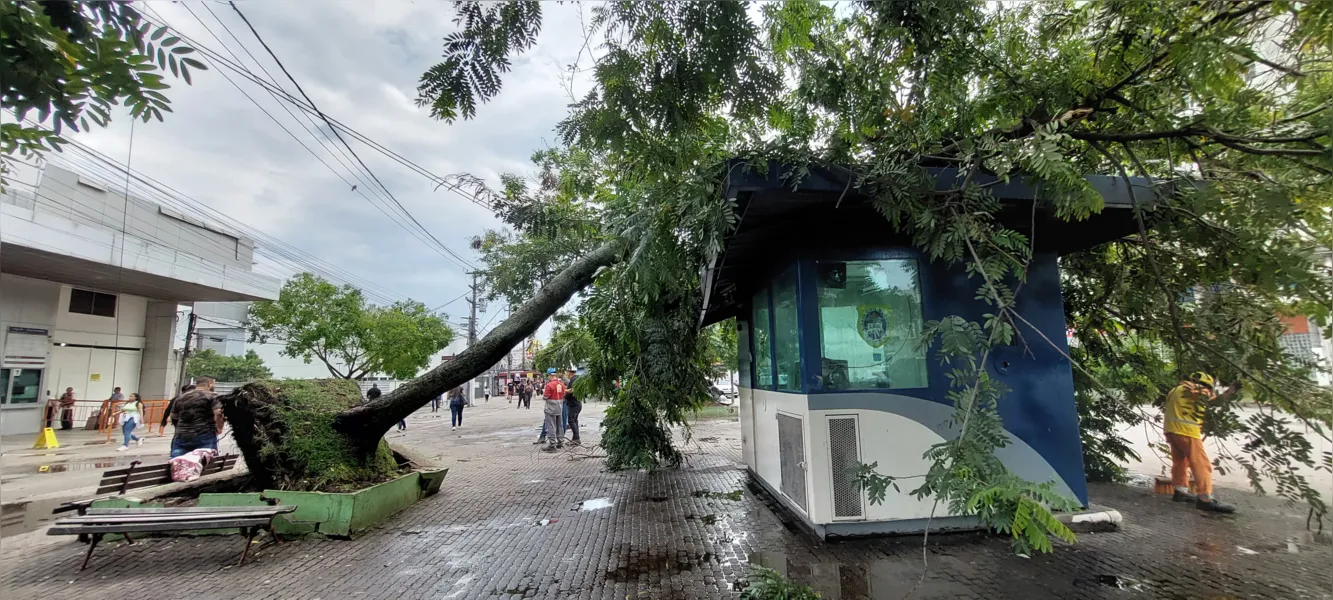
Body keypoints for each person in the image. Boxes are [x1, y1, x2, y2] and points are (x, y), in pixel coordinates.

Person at [1163, 371, 1241, 514]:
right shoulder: (1196, 390)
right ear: (1205, 385)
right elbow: (1215, 402)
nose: (1208, 391)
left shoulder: (1176, 389)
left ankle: (1180, 492)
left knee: (1181, 462)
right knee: (1201, 464)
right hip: (1187, 432)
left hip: (1171, 431)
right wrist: (1231, 391)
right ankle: (1205, 498)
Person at [167, 377, 223, 459]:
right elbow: (218, 413)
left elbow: (173, 415)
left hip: (181, 434)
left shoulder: (181, 397)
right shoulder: (213, 396)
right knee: (205, 461)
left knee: (177, 461)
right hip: (205, 433)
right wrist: (219, 428)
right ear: (209, 384)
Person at [539, 369, 567, 451]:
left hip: (551, 408)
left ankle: (552, 445)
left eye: (548, 376)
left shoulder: (549, 385)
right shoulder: (561, 384)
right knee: (559, 425)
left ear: (550, 375)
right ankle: (561, 442)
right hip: (559, 407)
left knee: (551, 426)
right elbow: (563, 394)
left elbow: (545, 397)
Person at [564, 370, 582, 446]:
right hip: (577, 403)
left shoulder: (573, 379)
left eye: (567, 372)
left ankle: (577, 438)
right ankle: (575, 439)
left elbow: (573, 390)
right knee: (574, 421)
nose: (566, 374)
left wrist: (564, 391)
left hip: (573, 404)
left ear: (569, 372)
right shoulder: (577, 378)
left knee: (571, 420)